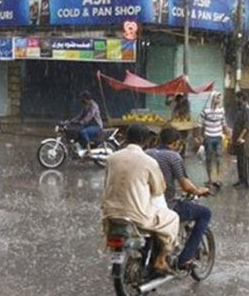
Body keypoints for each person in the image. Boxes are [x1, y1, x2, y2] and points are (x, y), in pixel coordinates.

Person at [102, 124, 179, 273]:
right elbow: (159, 189)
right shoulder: (148, 162)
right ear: (145, 140)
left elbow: (107, 183)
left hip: (110, 214)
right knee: (173, 217)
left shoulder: (111, 158)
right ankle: (161, 259)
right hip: (136, 216)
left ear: (126, 138)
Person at [146, 127, 211, 270]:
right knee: (205, 213)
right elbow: (186, 185)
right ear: (175, 143)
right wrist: (198, 190)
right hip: (167, 205)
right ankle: (185, 258)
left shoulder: (147, 153)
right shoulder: (173, 157)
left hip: (146, 204)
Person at [198, 91, 229, 187]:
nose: (218, 100)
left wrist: (228, 133)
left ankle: (218, 179)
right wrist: (200, 137)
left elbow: (224, 123)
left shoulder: (221, 111)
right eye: (217, 98)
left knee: (219, 158)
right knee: (209, 158)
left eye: (219, 98)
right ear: (212, 99)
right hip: (208, 137)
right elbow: (200, 124)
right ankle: (210, 179)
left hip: (218, 137)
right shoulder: (205, 111)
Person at [70, 90, 103, 157]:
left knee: (83, 132)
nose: (82, 100)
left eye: (83, 99)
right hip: (89, 125)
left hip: (96, 126)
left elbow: (89, 116)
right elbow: (80, 115)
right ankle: (80, 149)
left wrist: (82, 122)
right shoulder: (86, 106)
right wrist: (72, 121)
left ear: (86, 99)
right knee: (76, 132)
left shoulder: (94, 106)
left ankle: (89, 152)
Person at [232, 92, 249, 189]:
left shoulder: (246, 110)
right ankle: (241, 180)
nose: (236, 100)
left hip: (244, 141)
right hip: (239, 141)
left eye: (237, 98)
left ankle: (246, 182)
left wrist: (240, 137)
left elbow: (246, 127)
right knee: (240, 161)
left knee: (244, 161)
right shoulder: (241, 109)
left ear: (241, 98)